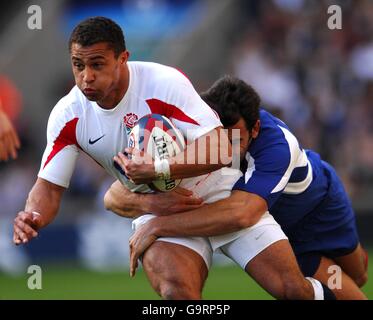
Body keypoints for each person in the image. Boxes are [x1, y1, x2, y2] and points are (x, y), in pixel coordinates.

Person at [13, 17, 329, 300]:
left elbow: (221, 147)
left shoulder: (163, 83)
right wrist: (34, 216)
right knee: (176, 293)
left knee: (292, 291)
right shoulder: (68, 115)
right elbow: (50, 188)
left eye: (97, 64)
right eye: (78, 65)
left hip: (218, 192)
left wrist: (158, 168)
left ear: (123, 59)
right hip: (158, 210)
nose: (86, 77)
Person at [111, 76, 368, 300]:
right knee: (296, 291)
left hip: (316, 210)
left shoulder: (277, 145)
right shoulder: (191, 123)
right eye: (217, 136)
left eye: (235, 139)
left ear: (255, 128)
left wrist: (157, 225)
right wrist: (148, 204)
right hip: (275, 222)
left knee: (358, 274)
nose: (223, 151)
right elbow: (113, 195)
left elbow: (242, 213)